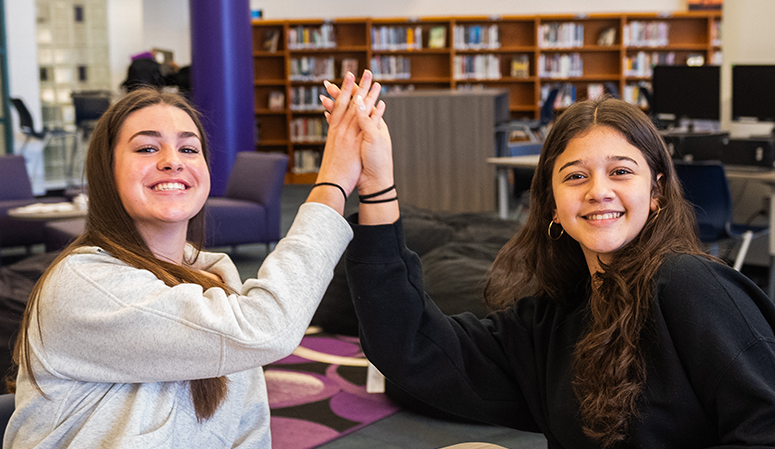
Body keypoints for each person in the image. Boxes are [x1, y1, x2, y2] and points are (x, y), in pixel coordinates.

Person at [322, 91, 775, 447]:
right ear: (553, 205)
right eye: (576, 176)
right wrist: (377, 185)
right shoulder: (554, 320)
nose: (599, 191)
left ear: (656, 194)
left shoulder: (689, 284)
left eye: (621, 172)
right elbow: (412, 347)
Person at [5, 71, 385, 448]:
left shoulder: (214, 278)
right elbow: (268, 327)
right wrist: (333, 183)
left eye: (189, 149)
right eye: (147, 148)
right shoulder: (82, 282)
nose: (173, 161)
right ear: (107, 170)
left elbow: (247, 426)